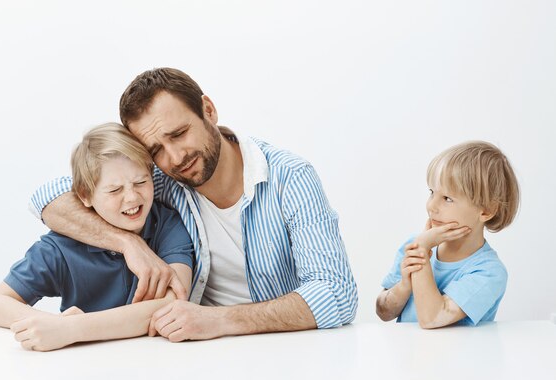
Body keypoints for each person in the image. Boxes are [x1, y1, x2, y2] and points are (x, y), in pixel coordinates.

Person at [29, 67, 358, 342]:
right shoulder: (162, 179)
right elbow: (48, 197)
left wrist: (219, 321)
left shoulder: (289, 177)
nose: (174, 158)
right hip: (193, 355)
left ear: (209, 111)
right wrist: (126, 242)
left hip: (283, 350)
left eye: (179, 133)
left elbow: (336, 294)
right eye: (155, 149)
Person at [0, 123, 194, 351]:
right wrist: (49, 325)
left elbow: (174, 304)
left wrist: (73, 329)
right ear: (85, 196)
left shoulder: (168, 225)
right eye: (114, 190)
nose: (132, 198)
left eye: (141, 182)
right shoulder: (60, 247)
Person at [376, 141, 520, 328]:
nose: (431, 206)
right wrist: (404, 286)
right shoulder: (415, 244)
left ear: (486, 210)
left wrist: (422, 251)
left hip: (457, 357)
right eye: (431, 193)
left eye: (447, 199)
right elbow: (383, 312)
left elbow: (432, 318)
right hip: (409, 355)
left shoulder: (489, 272)